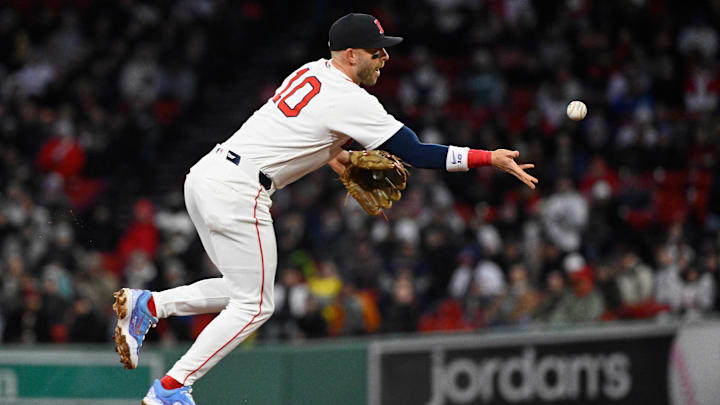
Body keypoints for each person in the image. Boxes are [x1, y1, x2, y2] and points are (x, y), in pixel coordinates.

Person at [113, 13, 538, 405]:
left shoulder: (311, 72)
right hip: (241, 192)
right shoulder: (353, 100)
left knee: (241, 289)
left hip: (207, 175)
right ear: (352, 55)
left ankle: (148, 306)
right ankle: (172, 387)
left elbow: (312, 138)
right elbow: (417, 152)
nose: (385, 58)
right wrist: (488, 158)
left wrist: (345, 159)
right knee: (257, 306)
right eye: (377, 51)